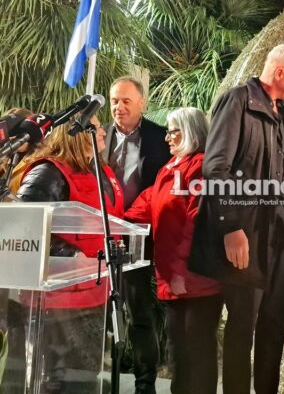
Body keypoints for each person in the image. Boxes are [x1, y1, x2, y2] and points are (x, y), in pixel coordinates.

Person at [189, 43, 284, 394]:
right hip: (246, 238)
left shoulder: (281, 111)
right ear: (280, 72)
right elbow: (216, 168)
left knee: (274, 324)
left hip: (277, 241)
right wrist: (231, 227)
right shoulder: (237, 101)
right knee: (243, 327)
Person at [16, 116, 124, 386]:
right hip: (58, 300)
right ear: (74, 132)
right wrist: (72, 256)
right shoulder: (48, 172)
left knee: (84, 377)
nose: (103, 131)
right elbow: (24, 226)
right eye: (94, 127)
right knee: (58, 380)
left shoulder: (101, 170)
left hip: (95, 292)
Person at [125, 107, 222, 394]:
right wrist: (114, 222)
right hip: (177, 281)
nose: (166, 138)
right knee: (180, 353)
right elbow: (147, 205)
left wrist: (180, 274)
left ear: (191, 132)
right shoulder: (170, 169)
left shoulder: (200, 169)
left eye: (173, 132)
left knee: (195, 353)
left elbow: (196, 226)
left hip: (197, 283)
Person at [104, 75, 171, 393]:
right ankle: (104, 377)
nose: (119, 107)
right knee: (104, 313)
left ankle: (145, 384)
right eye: (114, 101)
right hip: (101, 235)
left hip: (138, 236)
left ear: (142, 103)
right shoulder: (97, 136)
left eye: (126, 101)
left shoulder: (160, 138)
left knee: (139, 311)